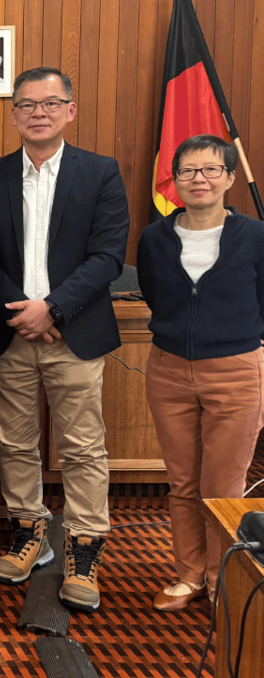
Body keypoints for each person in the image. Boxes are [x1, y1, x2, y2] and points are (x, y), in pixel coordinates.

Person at [0, 66, 130, 612]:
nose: (39, 112)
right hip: (12, 332)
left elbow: (109, 256)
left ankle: (84, 550)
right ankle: (28, 532)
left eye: (50, 103)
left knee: (83, 448)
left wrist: (53, 308)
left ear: (70, 110)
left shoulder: (101, 173)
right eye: (27, 104)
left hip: (74, 331)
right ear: (14, 114)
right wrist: (24, 311)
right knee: (14, 441)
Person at [137, 134, 264, 611]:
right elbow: (154, 293)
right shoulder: (155, 237)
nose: (199, 179)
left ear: (230, 177)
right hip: (168, 371)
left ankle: (221, 577)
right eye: (188, 171)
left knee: (223, 487)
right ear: (175, 182)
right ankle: (189, 574)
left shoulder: (254, 236)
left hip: (235, 371)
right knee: (183, 483)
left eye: (211, 170)